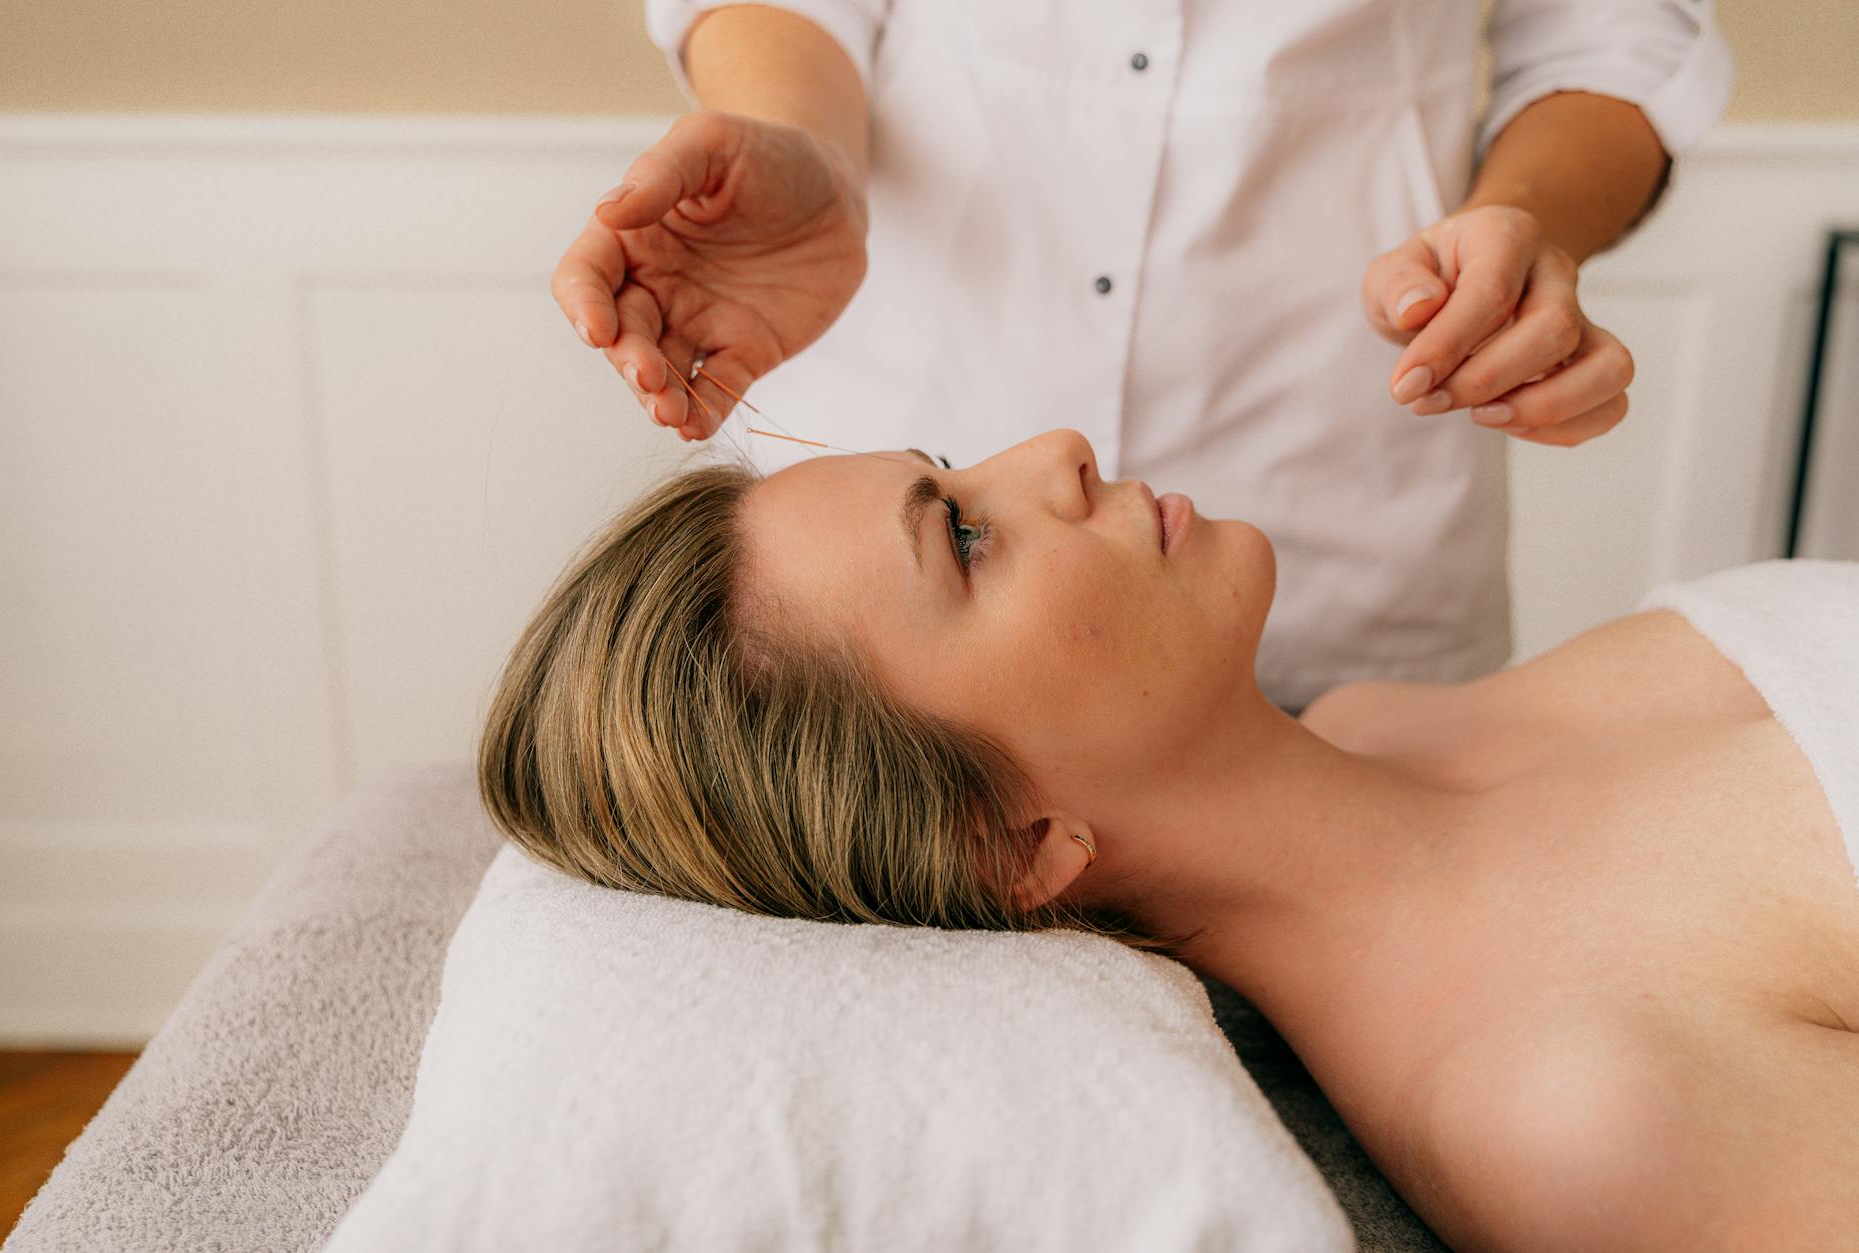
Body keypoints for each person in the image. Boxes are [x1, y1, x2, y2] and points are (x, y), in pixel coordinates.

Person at [480, 432, 1857, 1249]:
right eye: (964, 535)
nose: (1056, 452)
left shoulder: (1394, 717)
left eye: (953, 461)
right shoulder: (1580, 1114)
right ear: (1015, 848)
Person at [552, 0, 1732, 713]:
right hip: (892, 443)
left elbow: (1610, 30)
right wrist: (802, 140)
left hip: (1346, 530)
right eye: (957, 523)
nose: (1067, 459)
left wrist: (1524, 219)